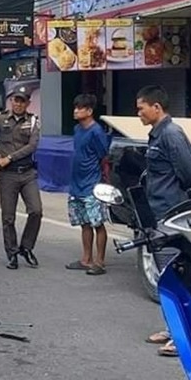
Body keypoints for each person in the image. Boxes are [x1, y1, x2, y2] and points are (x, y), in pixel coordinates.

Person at [135, 85, 191, 358]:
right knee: (166, 276)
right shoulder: (158, 135)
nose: (138, 113)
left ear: (156, 108)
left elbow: (188, 174)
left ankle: (183, 335)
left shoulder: (171, 134)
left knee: (176, 276)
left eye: (141, 108)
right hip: (159, 213)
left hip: (172, 214)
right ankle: (171, 327)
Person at [0, 85, 42, 270]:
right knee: (8, 218)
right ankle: (12, 253)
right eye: (16, 100)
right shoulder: (1, 118)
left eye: (22, 101)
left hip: (27, 173)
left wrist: (10, 157)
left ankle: (27, 247)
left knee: (36, 211)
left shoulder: (33, 121)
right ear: (11, 101)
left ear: (28, 103)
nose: (18, 104)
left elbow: (32, 146)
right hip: (7, 175)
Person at [66, 94, 111, 276]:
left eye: (80, 108)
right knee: (84, 223)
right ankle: (86, 259)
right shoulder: (77, 129)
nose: (76, 110)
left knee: (97, 223)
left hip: (92, 184)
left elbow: (104, 156)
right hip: (76, 184)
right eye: (75, 107)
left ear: (89, 111)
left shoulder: (97, 132)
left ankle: (99, 261)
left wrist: (102, 181)